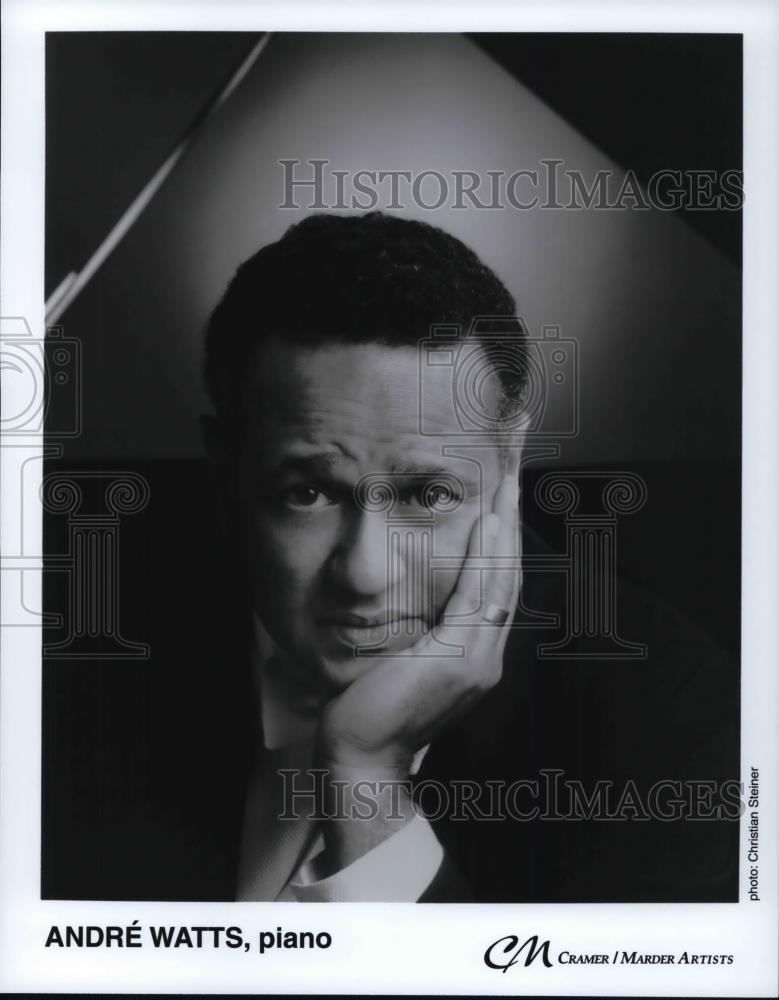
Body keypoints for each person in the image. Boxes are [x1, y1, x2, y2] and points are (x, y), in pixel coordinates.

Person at [193, 212, 739, 902]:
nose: (365, 573)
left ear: (509, 461)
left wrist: (366, 774)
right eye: (306, 492)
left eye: (427, 493)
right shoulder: (61, 673)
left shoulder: (680, 723)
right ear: (223, 475)